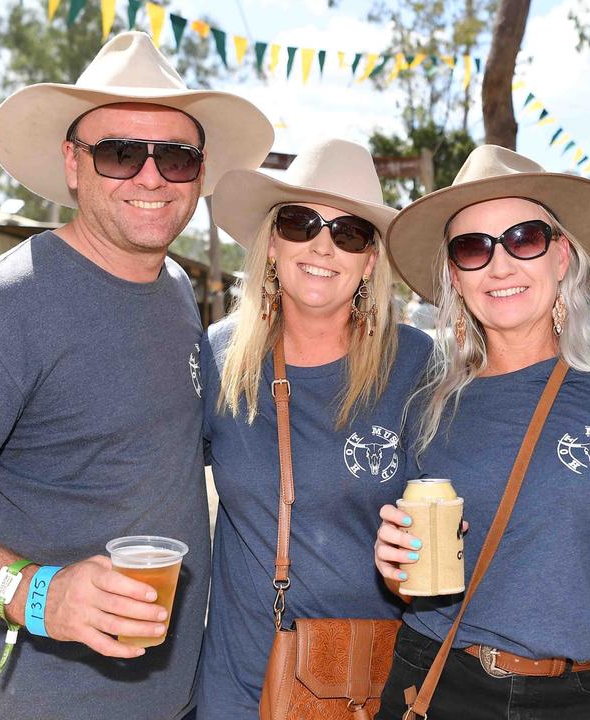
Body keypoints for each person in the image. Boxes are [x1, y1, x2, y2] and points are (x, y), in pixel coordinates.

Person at [0, 32, 273, 720]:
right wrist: (40, 595)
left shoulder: (175, 289)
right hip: (47, 701)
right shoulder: (3, 306)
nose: (150, 177)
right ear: (74, 164)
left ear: (198, 174)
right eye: (120, 153)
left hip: (174, 697)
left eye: (175, 156)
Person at [374, 145, 590, 720]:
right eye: (472, 248)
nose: (500, 265)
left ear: (562, 256)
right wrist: (395, 568)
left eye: (524, 238)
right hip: (434, 684)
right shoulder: (428, 402)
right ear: (454, 274)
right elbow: (419, 577)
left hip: (581, 696)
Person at [195, 137, 433, 717]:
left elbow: (473, 494)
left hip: (368, 683)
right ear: (272, 243)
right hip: (241, 683)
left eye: (349, 232)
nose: (323, 245)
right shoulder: (219, 356)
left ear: (370, 259)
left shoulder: (416, 363)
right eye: (301, 223)